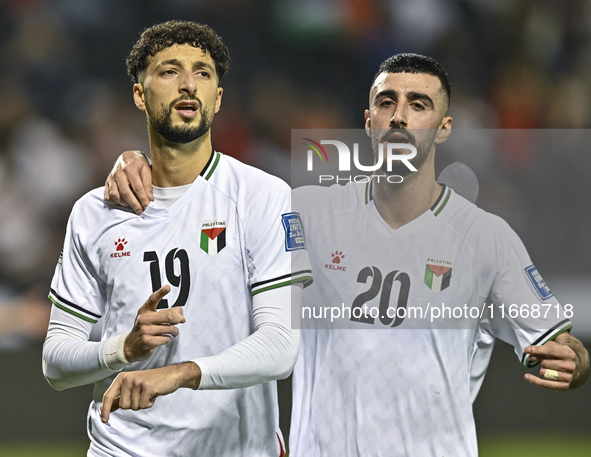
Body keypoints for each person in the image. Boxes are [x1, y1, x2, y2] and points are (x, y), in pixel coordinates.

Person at [104, 53, 589, 456]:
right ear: (369, 121)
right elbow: (204, 204)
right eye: (386, 101)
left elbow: (561, 344)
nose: (399, 114)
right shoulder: (306, 211)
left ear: (442, 129)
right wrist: (137, 160)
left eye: (417, 104)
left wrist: (570, 361)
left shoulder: (486, 238)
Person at [43, 20, 312, 457]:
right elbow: (56, 362)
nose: (189, 84)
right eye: (169, 71)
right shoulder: (95, 213)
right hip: (122, 448)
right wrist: (122, 349)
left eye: (203, 73)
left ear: (218, 98)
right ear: (139, 93)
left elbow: (280, 347)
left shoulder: (263, 196)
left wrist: (180, 373)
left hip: (235, 448)